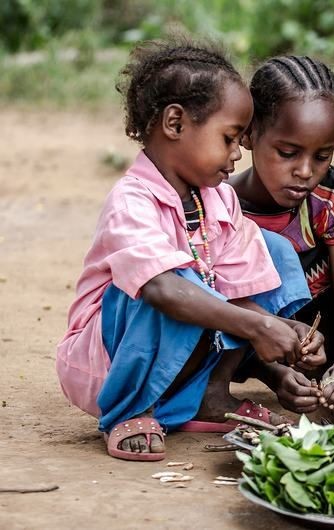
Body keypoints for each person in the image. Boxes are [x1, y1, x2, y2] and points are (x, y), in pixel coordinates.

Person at [55, 41, 319, 461]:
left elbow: (239, 288)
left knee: (272, 250)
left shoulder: (218, 200)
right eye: (230, 138)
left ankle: (209, 395)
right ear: (175, 123)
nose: (238, 154)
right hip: (109, 360)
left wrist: (280, 330)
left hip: (184, 353)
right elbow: (162, 289)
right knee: (170, 282)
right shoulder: (132, 201)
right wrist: (255, 328)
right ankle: (130, 410)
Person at [230, 56, 334, 416]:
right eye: (287, 153)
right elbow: (224, 311)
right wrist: (276, 375)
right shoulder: (221, 209)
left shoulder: (331, 198)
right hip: (256, 327)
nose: (305, 172)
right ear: (248, 134)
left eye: (322, 156)